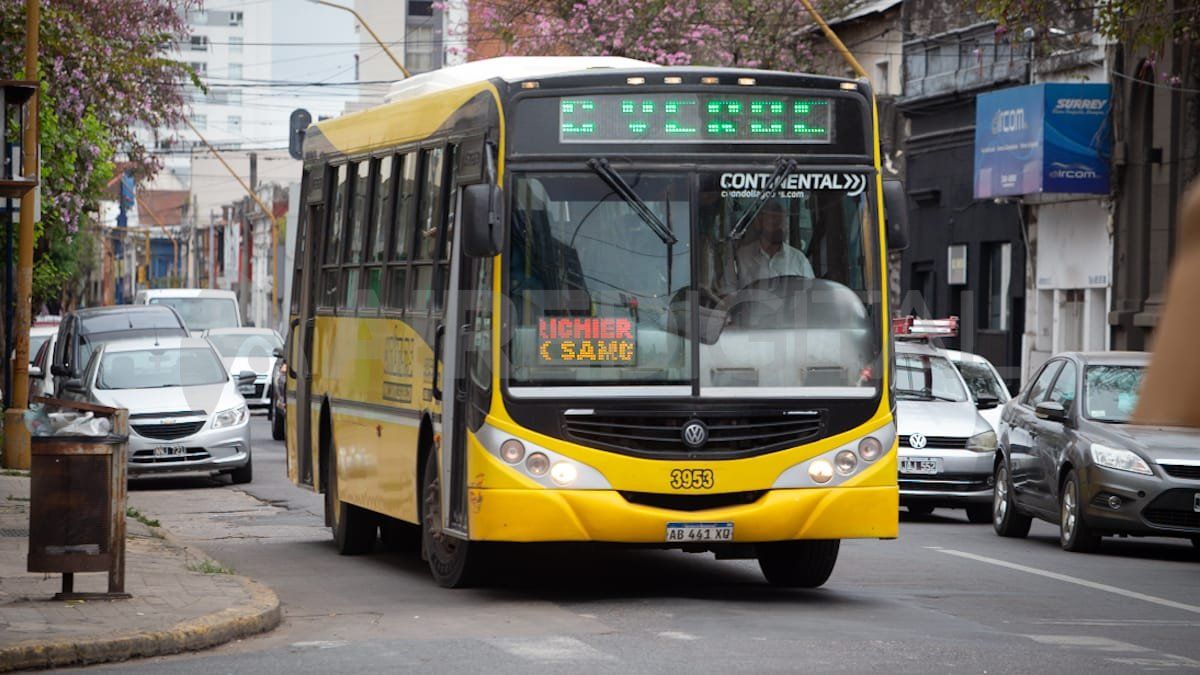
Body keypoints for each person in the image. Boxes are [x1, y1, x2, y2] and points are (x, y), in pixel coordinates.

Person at [735, 199, 814, 286]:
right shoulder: (741, 257)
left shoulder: (799, 260)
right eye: (773, 221)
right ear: (759, 224)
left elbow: (811, 293)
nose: (780, 227)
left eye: (782, 222)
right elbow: (726, 292)